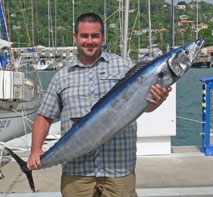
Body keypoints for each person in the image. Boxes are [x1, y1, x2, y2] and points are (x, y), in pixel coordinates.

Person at [27, 13, 172, 197]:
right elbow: (44, 116)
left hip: (118, 170)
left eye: (95, 36)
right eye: (84, 36)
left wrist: (157, 101)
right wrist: (35, 150)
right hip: (76, 172)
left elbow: (145, 105)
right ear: (75, 37)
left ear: (102, 37)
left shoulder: (125, 67)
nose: (89, 41)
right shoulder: (62, 76)